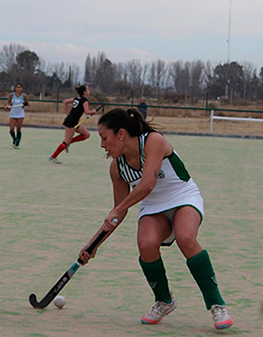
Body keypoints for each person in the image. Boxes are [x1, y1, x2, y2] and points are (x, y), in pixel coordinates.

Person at [78, 108, 233, 330]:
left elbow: (147, 184)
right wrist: (93, 245)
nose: (102, 144)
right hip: (153, 205)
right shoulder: (117, 168)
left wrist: (120, 207)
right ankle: (164, 300)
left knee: (185, 237)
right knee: (146, 244)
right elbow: (118, 213)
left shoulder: (153, 141)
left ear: (121, 134)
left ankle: (216, 304)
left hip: (182, 196)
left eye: (104, 138)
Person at [48, 85, 97, 164]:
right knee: (66, 141)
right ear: (84, 92)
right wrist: (93, 112)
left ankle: (69, 143)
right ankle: (53, 157)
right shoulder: (85, 101)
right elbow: (87, 112)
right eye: (88, 89)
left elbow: (65, 102)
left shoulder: (76, 98)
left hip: (74, 122)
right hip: (71, 123)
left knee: (86, 134)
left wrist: (67, 113)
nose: (89, 91)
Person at [5, 83, 29, 149]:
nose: (18, 89)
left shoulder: (24, 96)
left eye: (20, 87)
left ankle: (17, 142)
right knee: (11, 129)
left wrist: (24, 104)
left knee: (18, 128)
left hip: (20, 114)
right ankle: (14, 139)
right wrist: (7, 106)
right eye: (17, 87)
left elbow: (28, 104)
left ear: (22, 88)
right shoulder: (12, 95)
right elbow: (8, 102)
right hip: (13, 113)